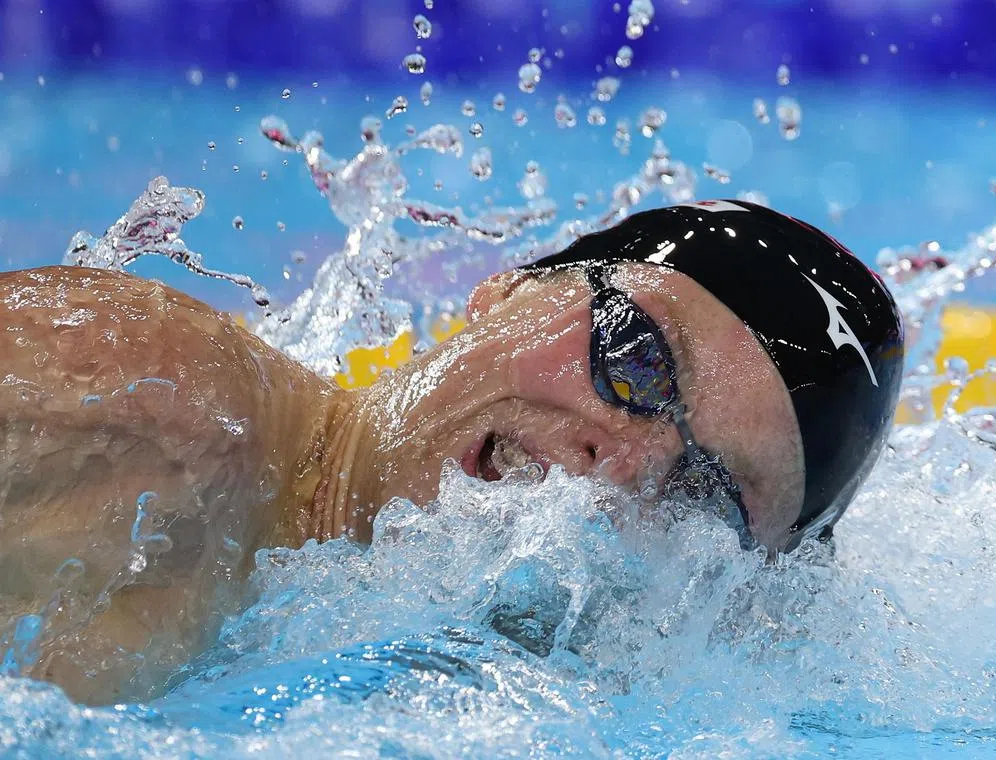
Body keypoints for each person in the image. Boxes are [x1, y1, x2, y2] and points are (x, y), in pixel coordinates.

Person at [0, 200, 903, 704]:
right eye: (636, 358)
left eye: (703, 494)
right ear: (507, 291)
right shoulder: (149, 411)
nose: (626, 464)